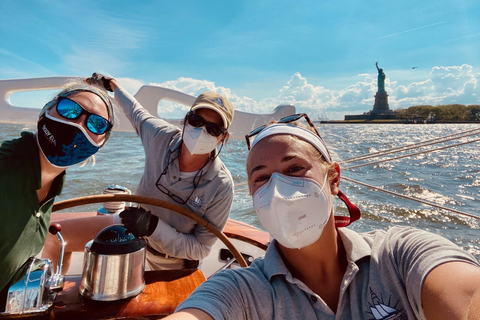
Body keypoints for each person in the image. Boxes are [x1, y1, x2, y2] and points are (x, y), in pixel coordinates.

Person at [166, 113, 480, 319]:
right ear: (252, 195)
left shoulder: (401, 256)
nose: (278, 189)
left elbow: (468, 296)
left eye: (294, 169)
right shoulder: (240, 290)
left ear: (333, 179)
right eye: (261, 178)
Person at [43, 73, 235, 271]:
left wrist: (154, 228)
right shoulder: (160, 135)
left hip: (173, 262)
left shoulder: (221, 185)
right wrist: (113, 85)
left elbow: (200, 248)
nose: (202, 130)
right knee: (57, 237)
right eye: (196, 120)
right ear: (186, 120)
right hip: (131, 230)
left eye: (213, 129)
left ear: (222, 138)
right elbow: (135, 111)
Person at [0, 81, 114, 307]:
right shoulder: (5, 166)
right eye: (69, 110)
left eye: (96, 124)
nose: (79, 124)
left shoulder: (52, 184)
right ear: (46, 111)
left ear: (100, 144)